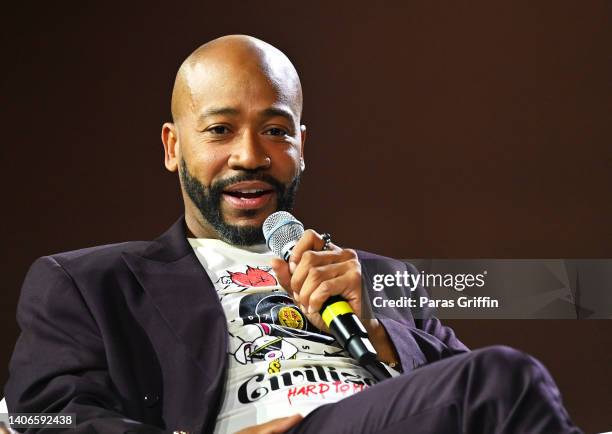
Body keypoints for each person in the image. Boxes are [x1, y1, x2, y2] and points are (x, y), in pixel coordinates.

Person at [4, 35, 581, 434]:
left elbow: (477, 402)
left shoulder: (381, 278)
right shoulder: (88, 282)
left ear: (302, 148)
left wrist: (379, 333)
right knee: (507, 374)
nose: (250, 155)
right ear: (173, 147)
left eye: (276, 130)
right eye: (220, 129)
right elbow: (38, 417)